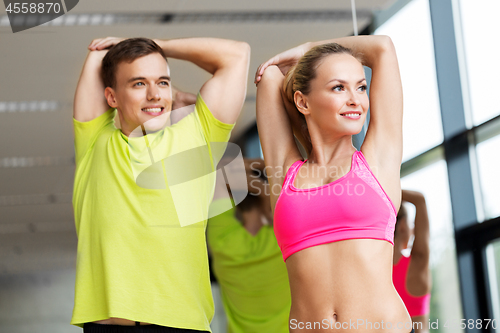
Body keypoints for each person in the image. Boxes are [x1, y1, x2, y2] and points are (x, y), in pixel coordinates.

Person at [71, 36, 250, 332]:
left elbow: (237, 54)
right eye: (139, 84)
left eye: (163, 82)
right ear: (112, 98)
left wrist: (158, 44)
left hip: (181, 325)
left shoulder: (200, 137)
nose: (154, 94)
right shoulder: (95, 143)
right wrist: (126, 47)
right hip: (110, 325)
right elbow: (97, 53)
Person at [255, 36, 413, 332]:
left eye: (361, 87)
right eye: (339, 87)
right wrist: (310, 59)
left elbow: (383, 48)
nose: (355, 99)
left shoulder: (377, 162)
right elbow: (270, 77)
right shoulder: (285, 174)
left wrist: (309, 48)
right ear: (303, 101)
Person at [207, 158, 291, 333]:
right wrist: (264, 183)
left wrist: (259, 188)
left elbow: (216, 175)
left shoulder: (221, 240)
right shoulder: (284, 240)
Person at [393, 190, 431, 333]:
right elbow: (420, 200)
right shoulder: (417, 264)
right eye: (410, 224)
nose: (413, 230)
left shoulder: (372, 271)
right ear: (402, 225)